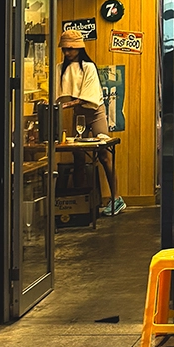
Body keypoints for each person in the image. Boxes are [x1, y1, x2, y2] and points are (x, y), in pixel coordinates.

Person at [58, 29, 122, 216]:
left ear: (79, 47)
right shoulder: (60, 67)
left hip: (95, 112)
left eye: (71, 48)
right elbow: (59, 95)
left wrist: (64, 105)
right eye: (65, 49)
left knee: (104, 155)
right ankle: (81, 202)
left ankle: (116, 198)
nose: (68, 52)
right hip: (78, 114)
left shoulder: (88, 67)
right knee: (78, 157)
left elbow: (88, 97)